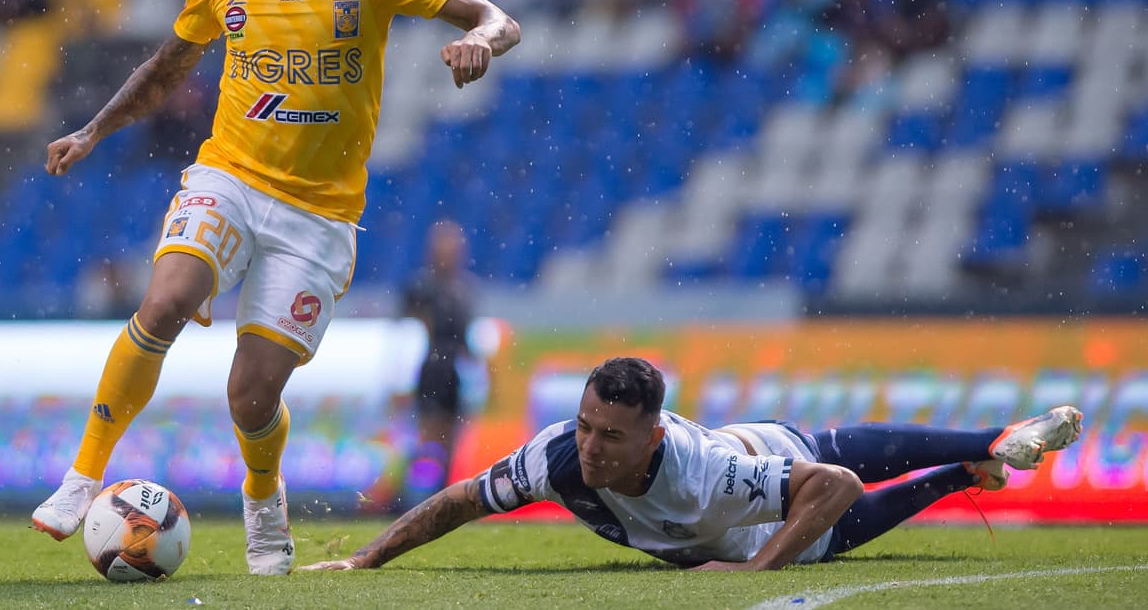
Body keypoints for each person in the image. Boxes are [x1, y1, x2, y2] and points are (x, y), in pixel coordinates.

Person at [29, 0, 521, 576]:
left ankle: (264, 496)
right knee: (165, 302)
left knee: (250, 394)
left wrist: (480, 39)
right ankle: (82, 475)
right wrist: (95, 129)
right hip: (229, 175)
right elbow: (170, 65)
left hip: (319, 216)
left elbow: (499, 18)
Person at [300, 356, 1083, 572]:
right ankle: (979, 457)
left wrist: (758, 570)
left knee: (843, 478)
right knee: (844, 446)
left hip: (777, 507)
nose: (593, 446)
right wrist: (366, 559)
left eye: (612, 435)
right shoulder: (557, 455)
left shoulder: (699, 474)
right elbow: (463, 498)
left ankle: (977, 450)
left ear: (653, 437)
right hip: (751, 448)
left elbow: (836, 488)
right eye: (586, 425)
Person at [398, 220, 476, 507]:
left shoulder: (465, 289)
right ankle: (411, 500)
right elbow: (406, 334)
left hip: (452, 373)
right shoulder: (421, 286)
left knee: (449, 441)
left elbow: (466, 340)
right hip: (429, 370)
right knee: (425, 439)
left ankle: (442, 500)